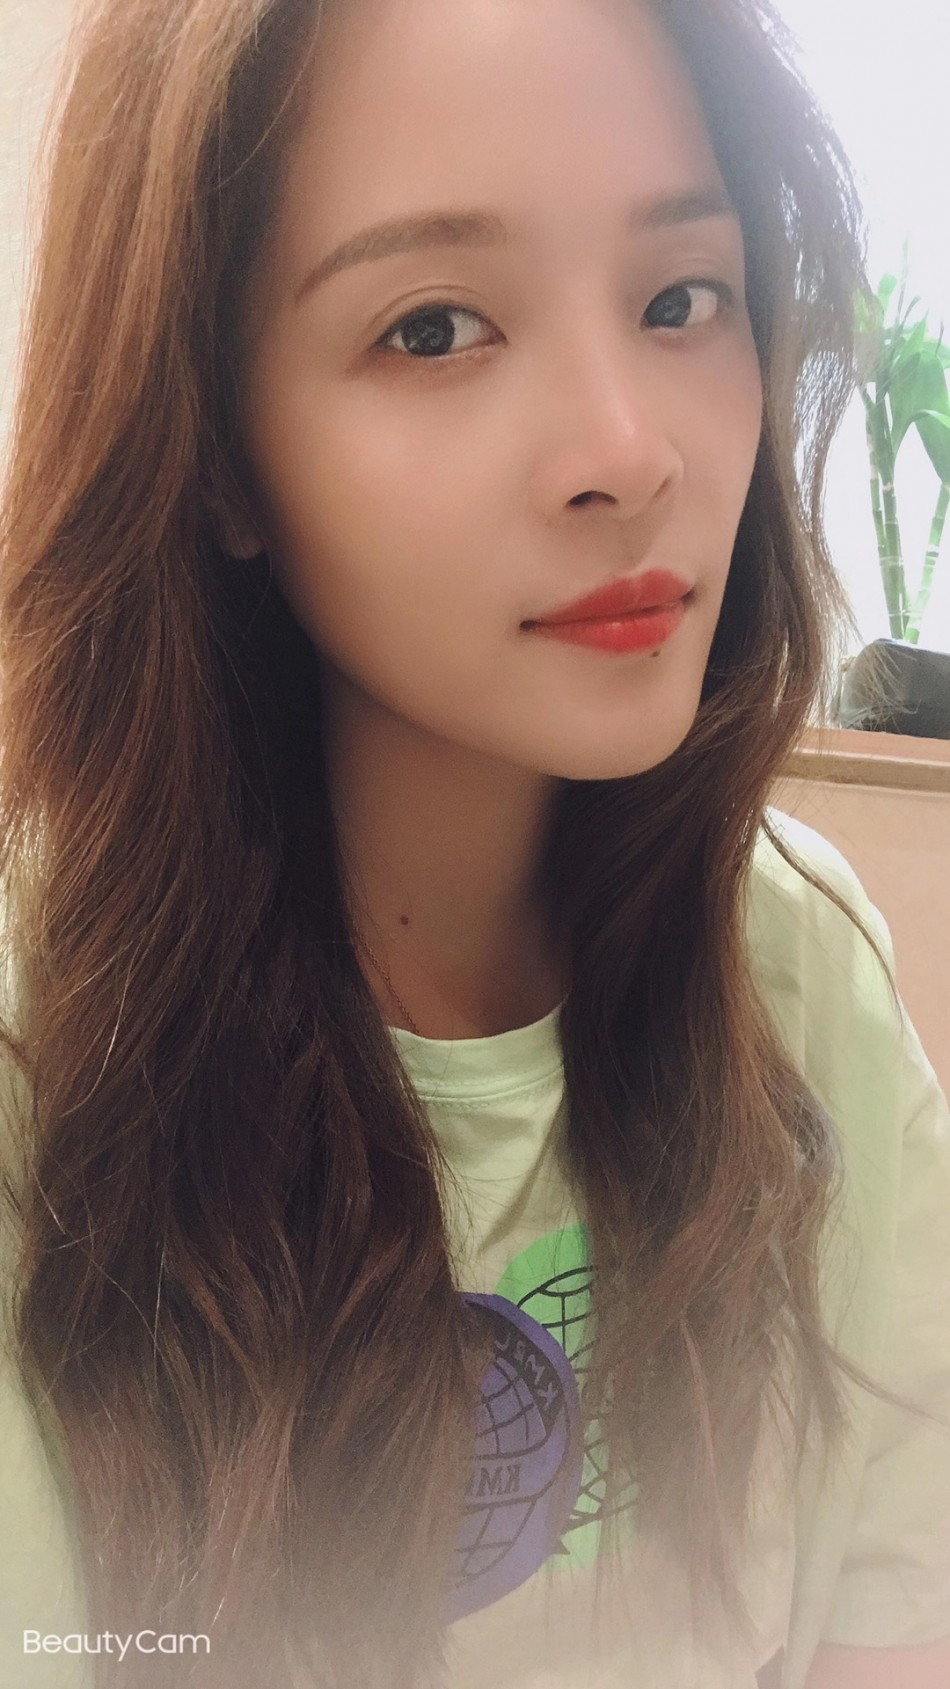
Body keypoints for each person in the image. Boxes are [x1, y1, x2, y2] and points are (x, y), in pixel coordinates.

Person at [0, 0, 948, 1685]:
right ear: (214, 452)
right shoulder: (40, 1058)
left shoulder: (803, 974)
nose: (628, 453)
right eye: (433, 327)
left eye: (680, 298)